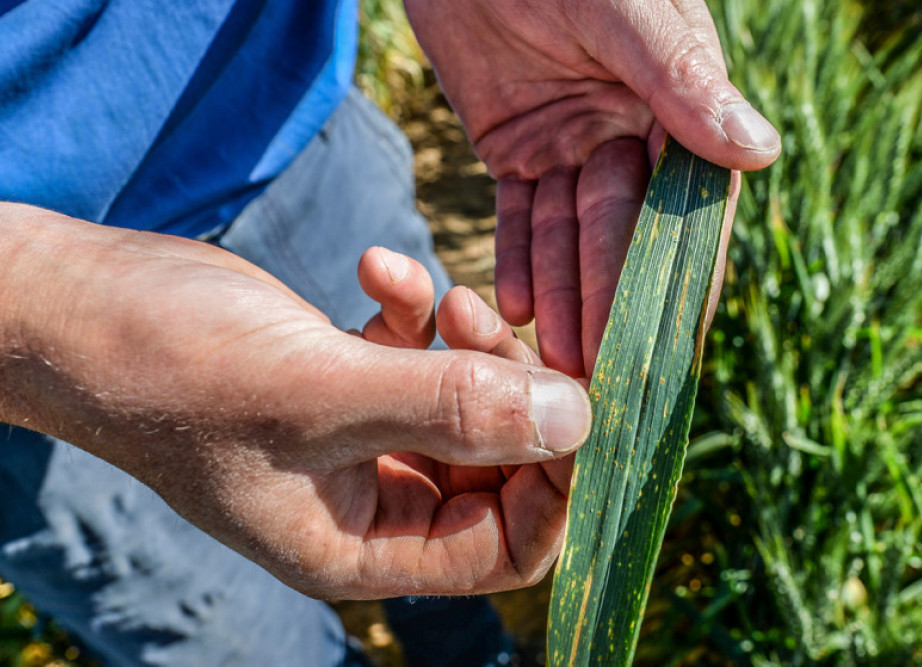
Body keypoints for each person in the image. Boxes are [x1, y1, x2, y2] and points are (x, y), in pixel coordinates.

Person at [0, 0, 780, 664]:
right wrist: (39, 315)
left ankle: (467, 645)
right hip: (26, 375)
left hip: (283, 113)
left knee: (437, 499)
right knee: (231, 634)